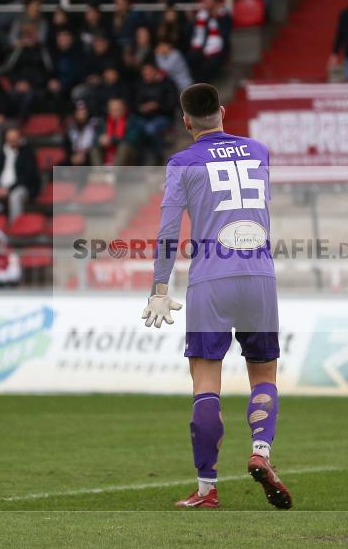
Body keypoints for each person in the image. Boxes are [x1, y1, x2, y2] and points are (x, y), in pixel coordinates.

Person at [143, 83, 290, 510]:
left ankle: (207, 490)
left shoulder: (182, 163)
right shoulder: (259, 151)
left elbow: (169, 230)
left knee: (206, 382)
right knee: (263, 375)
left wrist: (159, 288)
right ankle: (261, 453)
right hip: (259, 273)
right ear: (222, 112)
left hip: (211, 277)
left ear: (186, 121)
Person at [0, 127, 41, 221]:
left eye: (14, 140)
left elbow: (27, 177)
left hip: (20, 187)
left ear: (20, 139)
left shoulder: (28, 152)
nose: (12, 143)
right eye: (10, 140)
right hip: (1, 187)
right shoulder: (3, 152)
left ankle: (15, 226)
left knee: (15, 197)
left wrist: (9, 189)